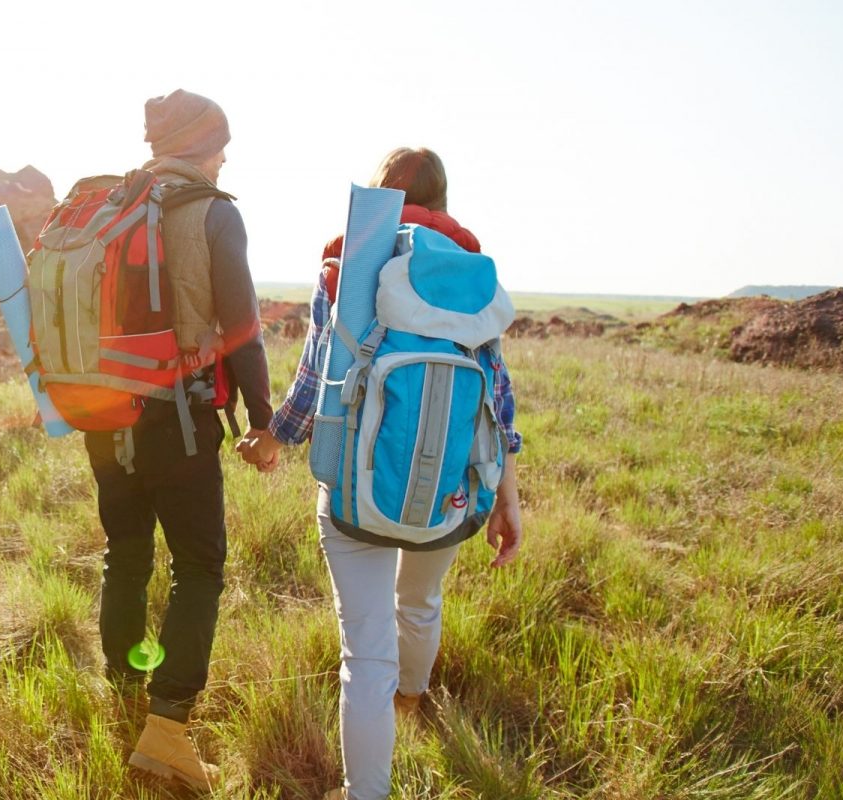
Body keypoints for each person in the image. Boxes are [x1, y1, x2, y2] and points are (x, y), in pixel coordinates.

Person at [238, 147, 524, 800]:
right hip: (451, 488)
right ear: (443, 202)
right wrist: (506, 494)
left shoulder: (350, 257)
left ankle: (365, 791)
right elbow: (496, 394)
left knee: (363, 654)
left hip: (350, 487)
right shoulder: (469, 273)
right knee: (420, 601)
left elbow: (316, 374)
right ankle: (413, 702)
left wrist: (274, 439)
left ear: (381, 195)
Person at [84, 89, 272, 791]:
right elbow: (243, 326)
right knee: (198, 567)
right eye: (221, 143)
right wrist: (263, 421)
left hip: (106, 418)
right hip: (181, 422)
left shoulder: (110, 209)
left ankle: (124, 696)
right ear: (201, 146)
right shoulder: (213, 215)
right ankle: (165, 732)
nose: (226, 157)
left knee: (124, 555)